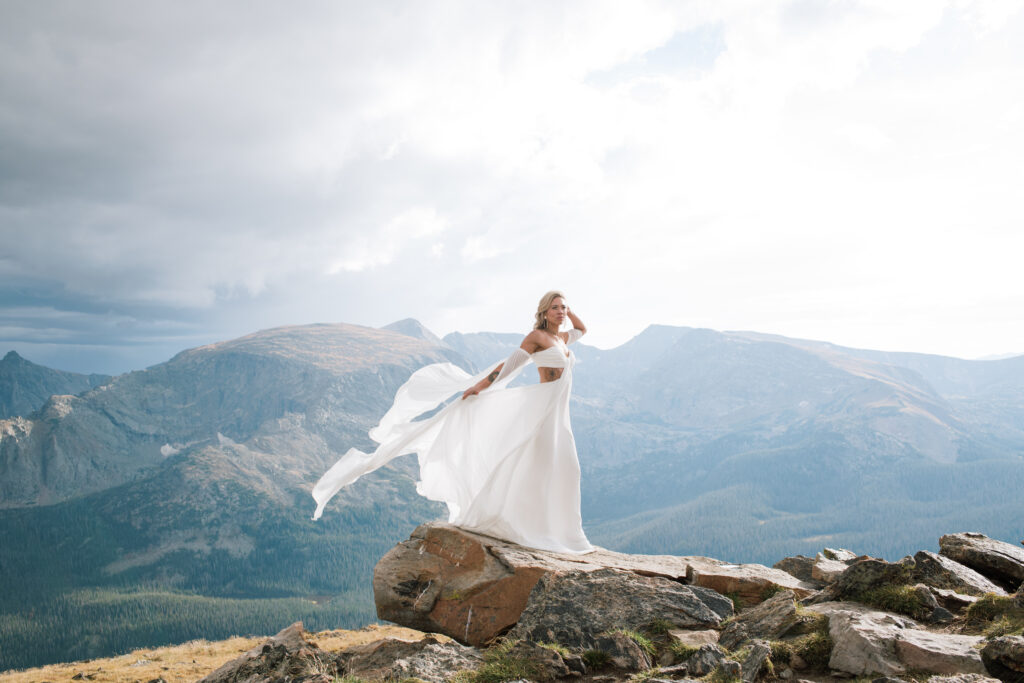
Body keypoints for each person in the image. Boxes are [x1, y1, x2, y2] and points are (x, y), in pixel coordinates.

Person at [312, 290, 594, 554]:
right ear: (544, 312)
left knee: (564, 467)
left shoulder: (563, 340)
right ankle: (519, 523)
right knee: (538, 465)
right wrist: (480, 387)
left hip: (559, 413)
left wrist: (570, 311)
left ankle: (558, 530)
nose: (561, 311)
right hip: (543, 410)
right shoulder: (537, 337)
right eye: (555, 307)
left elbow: (582, 329)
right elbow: (507, 367)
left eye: (563, 307)